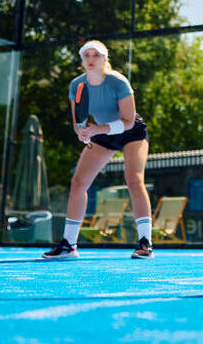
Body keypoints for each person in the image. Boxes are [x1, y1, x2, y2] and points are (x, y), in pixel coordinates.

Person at [43, 40, 153, 259]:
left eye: (96, 55)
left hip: (131, 132)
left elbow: (129, 121)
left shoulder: (118, 82)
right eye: (87, 55)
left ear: (105, 59)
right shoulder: (76, 85)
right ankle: (69, 245)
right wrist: (82, 132)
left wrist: (96, 129)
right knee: (78, 183)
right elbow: (78, 122)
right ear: (82, 60)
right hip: (101, 133)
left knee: (134, 180)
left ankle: (145, 243)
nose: (91, 59)